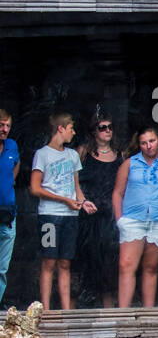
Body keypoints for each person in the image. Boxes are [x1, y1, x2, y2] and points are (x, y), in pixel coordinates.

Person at [113, 126, 158, 308]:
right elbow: (117, 193)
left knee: (150, 267)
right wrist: (119, 219)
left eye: (152, 141)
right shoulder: (129, 164)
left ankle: (148, 313)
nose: (148, 146)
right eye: (144, 143)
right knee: (126, 265)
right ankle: (123, 315)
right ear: (139, 145)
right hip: (133, 219)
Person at [31, 112, 95, 310]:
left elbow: (76, 187)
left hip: (70, 216)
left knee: (65, 262)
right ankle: (46, 310)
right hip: (49, 215)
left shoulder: (73, 155)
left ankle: (66, 310)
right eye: (71, 129)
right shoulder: (42, 154)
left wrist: (83, 202)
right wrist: (64, 200)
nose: (73, 133)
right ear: (60, 128)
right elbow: (35, 188)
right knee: (49, 261)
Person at [76, 113, 123, 307]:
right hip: (87, 214)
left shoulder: (120, 154)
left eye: (110, 127)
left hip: (110, 216)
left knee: (110, 261)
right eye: (103, 127)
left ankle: (109, 307)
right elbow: (73, 180)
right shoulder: (83, 152)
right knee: (86, 258)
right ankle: (79, 305)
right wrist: (82, 200)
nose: (107, 131)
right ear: (94, 131)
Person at [0, 109, 18, 306]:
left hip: (7, 215)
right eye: (1, 125)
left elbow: (16, 166)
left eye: (7, 126)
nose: (5, 129)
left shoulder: (12, 146)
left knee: (1, 268)